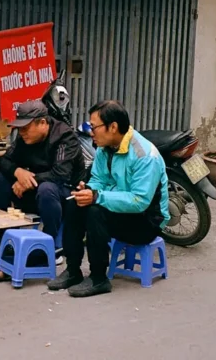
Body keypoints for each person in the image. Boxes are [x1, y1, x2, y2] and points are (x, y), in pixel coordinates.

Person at [47, 100, 170, 298]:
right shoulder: (105, 149)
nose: (91, 132)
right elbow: (98, 179)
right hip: (120, 210)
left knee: (96, 211)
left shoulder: (144, 155)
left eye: (94, 127)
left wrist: (97, 197)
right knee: (74, 203)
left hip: (147, 220)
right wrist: (88, 190)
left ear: (113, 127)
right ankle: (73, 270)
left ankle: (98, 278)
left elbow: (139, 201)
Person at [0, 100, 84, 250]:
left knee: (47, 189)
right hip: (33, 191)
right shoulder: (24, 137)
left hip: (64, 195)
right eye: (20, 129)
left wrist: (27, 180)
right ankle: (1, 239)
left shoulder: (64, 137)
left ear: (42, 123)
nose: (21, 133)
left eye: (26, 128)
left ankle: (50, 245)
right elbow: (4, 160)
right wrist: (18, 172)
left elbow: (60, 175)